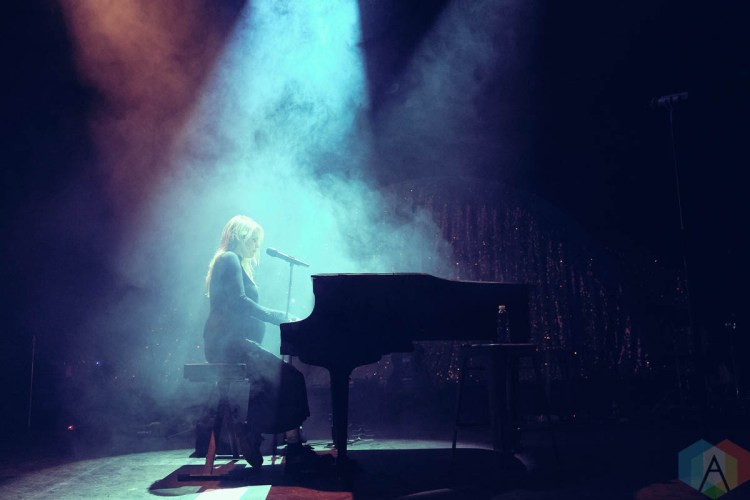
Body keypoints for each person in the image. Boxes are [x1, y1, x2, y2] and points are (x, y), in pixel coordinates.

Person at [203, 215, 322, 471]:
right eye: (253, 240)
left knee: (274, 380)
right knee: (289, 377)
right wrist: (277, 316)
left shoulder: (233, 262)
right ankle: (276, 440)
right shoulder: (229, 258)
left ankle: (259, 435)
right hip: (228, 344)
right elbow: (239, 301)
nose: (257, 245)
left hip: (233, 343)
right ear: (240, 236)